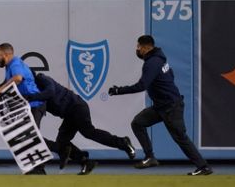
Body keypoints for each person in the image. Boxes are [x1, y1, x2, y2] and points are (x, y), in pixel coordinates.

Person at [108, 35, 213, 176]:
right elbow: (171, 76)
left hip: (170, 107)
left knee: (180, 137)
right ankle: (150, 157)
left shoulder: (152, 62)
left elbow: (142, 85)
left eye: (138, 46)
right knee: (138, 123)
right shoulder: (159, 60)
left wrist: (118, 90)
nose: (137, 49)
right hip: (161, 106)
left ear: (146, 47)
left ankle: (203, 167)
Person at [29, 72, 136, 171]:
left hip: (77, 107)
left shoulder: (41, 78)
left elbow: (50, 92)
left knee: (89, 132)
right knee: (62, 141)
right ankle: (85, 162)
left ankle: (123, 142)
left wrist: (32, 97)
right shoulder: (33, 91)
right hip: (69, 114)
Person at [0, 42, 46, 175]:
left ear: (6, 54)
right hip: (30, 105)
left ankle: (41, 168)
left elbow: (17, 78)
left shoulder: (15, 63)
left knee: (31, 136)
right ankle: (38, 167)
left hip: (35, 104)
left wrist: (1, 89)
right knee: (28, 136)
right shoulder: (10, 65)